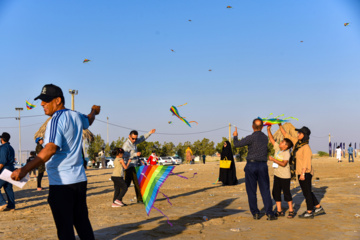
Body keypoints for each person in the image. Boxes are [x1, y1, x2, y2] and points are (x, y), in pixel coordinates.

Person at [11, 84, 100, 239]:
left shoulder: (55, 120)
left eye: (46, 100)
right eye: (41, 100)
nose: (42, 104)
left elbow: (50, 148)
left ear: (58, 100)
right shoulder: (76, 116)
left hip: (61, 184)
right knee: (82, 223)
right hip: (79, 181)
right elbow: (89, 120)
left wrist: (24, 170)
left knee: (65, 228)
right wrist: (94, 111)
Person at [233, 119, 277, 220]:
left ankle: (255, 213)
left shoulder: (251, 138)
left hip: (251, 165)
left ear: (252, 127)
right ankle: (269, 213)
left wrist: (235, 135)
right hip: (262, 165)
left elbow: (236, 144)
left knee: (251, 191)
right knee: (265, 190)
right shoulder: (265, 138)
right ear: (262, 127)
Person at [279, 124, 325, 219]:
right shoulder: (297, 143)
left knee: (306, 193)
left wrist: (303, 174)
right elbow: (286, 135)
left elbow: (306, 162)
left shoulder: (306, 147)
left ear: (304, 135)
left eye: (299, 133)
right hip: (300, 172)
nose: (298, 134)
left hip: (305, 173)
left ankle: (309, 211)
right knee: (307, 191)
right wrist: (279, 125)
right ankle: (318, 207)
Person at [267, 125, 295, 218]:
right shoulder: (278, 149)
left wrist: (273, 160)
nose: (280, 142)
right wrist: (268, 130)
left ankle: (291, 210)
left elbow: (283, 164)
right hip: (277, 175)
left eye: (282, 142)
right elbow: (272, 140)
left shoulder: (286, 153)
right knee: (276, 193)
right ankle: (279, 211)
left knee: (287, 193)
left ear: (286, 146)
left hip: (285, 177)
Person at [122, 129, 156, 203]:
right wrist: (135, 154)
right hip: (129, 166)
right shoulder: (126, 145)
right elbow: (124, 155)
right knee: (126, 184)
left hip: (135, 165)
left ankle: (140, 199)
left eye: (135, 138)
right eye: (133, 138)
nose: (134, 140)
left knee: (137, 183)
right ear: (129, 136)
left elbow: (142, 138)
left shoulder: (135, 142)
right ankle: (118, 199)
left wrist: (150, 133)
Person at [0, 132, 15, 211]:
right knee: (8, 188)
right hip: (11, 169)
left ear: (2, 139)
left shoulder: (3, 148)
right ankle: (11, 206)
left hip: (5, 170)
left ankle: (2, 203)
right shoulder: (10, 147)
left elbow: (2, 162)